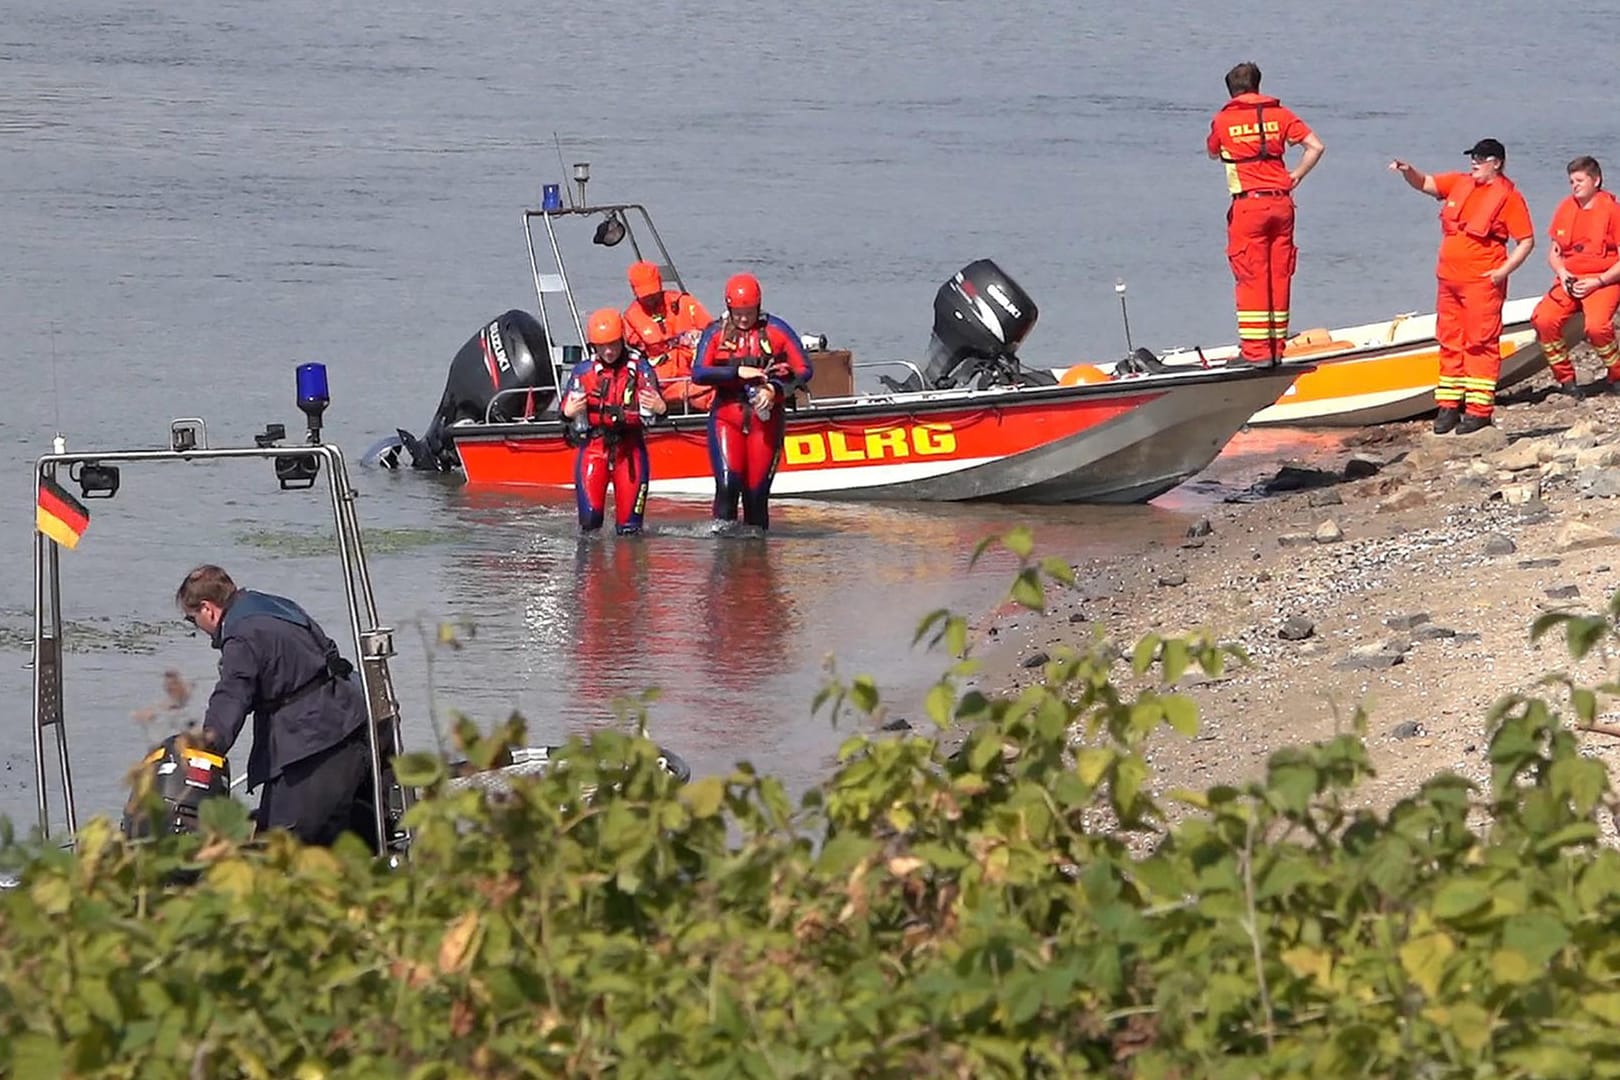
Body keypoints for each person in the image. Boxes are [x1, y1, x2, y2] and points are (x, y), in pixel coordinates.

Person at [177, 564, 379, 850]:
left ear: (208, 609)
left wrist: (206, 747)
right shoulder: (275, 606)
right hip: (353, 718)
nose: (197, 627)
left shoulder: (241, 636)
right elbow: (329, 651)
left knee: (279, 847)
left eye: (191, 618)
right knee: (358, 828)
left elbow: (232, 696)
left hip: (314, 741)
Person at [1391, 139, 1536, 433]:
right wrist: (1409, 171)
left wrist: (1503, 271)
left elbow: (1526, 241)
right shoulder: (1460, 182)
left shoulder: (1509, 198)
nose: (1475, 162)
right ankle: (1448, 406)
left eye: (1481, 158)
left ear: (1496, 162)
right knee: (1449, 340)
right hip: (1449, 280)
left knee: (1480, 342)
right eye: (1473, 157)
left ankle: (1479, 410)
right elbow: (1427, 183)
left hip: (1482, 281)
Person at [1206, 61, 1325, 368]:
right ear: (1258, 86)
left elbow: (1213, 151)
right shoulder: (1280, 114)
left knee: (1251, 275)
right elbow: (1316, 146)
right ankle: (1276, 347)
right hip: (1282, 203)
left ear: (1231, 91)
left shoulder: (1223, 120)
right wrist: (1295, 175)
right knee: (1279, 274)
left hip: (1249, 205)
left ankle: (1255, 353)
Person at [691, 273, 813, 531]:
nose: (744, 318)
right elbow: (699, 373)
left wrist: (774, 389)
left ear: (759, 307)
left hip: (765, 418)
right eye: (738, 312)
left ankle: (756, 560)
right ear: (728, 309)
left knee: (756, 494)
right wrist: (736, 373)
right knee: (727, 485)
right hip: (726, 416)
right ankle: (723, 556)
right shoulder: (715, 333)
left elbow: (804, 369)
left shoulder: (777, 330)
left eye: (749, 312)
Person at [560, 307, 666, 535]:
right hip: (593, 448)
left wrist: (661, 407)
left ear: (622, 341)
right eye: (602, 346)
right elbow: (565, 410)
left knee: (630, 529)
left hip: (630, 450)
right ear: (594, 347)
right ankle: (589, 568)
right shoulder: (583, 372)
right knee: (589, 523)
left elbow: (657, 409)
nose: (608, 351)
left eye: (613, 345)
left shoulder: (640, 369)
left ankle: (629, 567)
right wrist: (567, 412)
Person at [1531, 156, 1620, 396]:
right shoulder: (1565, 208)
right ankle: (1566, 380)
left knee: (1596, 327)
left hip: (1603, 279)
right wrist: (1562, 273)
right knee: (1543, 320)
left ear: (1596, 180)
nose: (1575, 186)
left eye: (1580, 180)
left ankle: (1616, 374)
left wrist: (1599, 281)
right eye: (1571, 181)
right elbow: (1553, 253)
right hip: (1570, 279)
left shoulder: (1612, 210)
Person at [621, 261, 715, 413]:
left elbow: (713, 334)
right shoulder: (630, 319)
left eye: (653, 293)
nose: (651, 299)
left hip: (695, 374)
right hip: (663, 384)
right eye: (645, 295)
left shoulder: (685, 304)